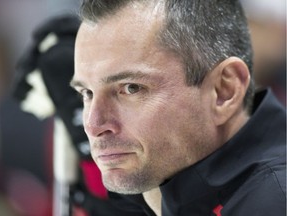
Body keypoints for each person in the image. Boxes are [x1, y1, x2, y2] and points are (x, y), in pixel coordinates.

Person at [71, 0, 286, 215]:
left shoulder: (272, 202)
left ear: (224, 91)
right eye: (86, 92)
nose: (92, 125)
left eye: (131, 88)